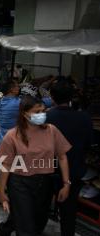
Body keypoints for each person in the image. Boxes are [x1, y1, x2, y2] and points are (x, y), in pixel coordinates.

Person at [0, 95, 72, 236]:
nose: (41, 115)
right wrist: (1, 191)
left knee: (38, 222)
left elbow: (62, 156)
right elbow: (6, 165)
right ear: (24, 113)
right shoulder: (12, 136)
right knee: (26, 228)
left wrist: (66, 184)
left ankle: (5, 228)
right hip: (20, 183)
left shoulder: (51, 130)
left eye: (43, 111)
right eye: (37, 112)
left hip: (44, 183)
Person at [46, 78, 93, 236]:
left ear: (52, 97)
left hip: (48, 169)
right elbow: (88, 142)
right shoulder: (84, 118)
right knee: (69, 213)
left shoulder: (47, 117)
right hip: (74, 170)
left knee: (41, 205)